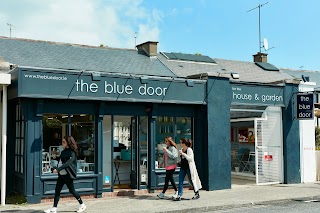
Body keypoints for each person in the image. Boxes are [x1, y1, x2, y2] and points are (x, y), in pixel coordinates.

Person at [44, 136, 86, 213]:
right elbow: (60, 161)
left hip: (67, 175)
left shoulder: (72, 153)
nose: (62, 143)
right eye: (62, 142)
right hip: (61, 175)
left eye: (64, 142)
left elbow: (67, 163)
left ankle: (82, 204)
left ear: (68, 143)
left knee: (72, 190)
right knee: (57, 190)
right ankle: (54, 208)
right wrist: (55, 166)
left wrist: (58, 169)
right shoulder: (63, 152)